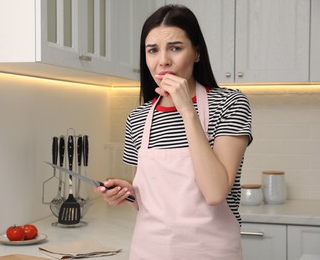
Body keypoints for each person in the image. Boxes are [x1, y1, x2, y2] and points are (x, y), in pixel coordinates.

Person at [95, 4, 252, 259]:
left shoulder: (230, 104)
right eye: (152, 50)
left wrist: (186, 110)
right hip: (149, 252)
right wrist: (128, 194)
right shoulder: (137, 118)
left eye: (175, 48)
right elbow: (148, 205)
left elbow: (215, 192)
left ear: (197, 52)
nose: (163, 61)